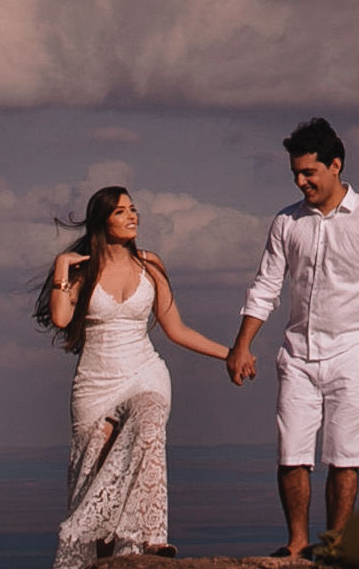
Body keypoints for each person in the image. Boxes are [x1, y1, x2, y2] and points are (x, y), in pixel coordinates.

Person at [225, 118, 359, 559]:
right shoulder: (287, 222)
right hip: (298, 352)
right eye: (295, 173)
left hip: (351, 350)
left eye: (309, 172)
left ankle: (337, 543)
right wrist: (242, 344)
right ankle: (296, 543)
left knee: (345, 454)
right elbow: (266, 286)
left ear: (335, 165)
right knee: (292, 452)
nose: (301, 180)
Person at [38, 184, 231, 569]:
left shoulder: (150, 264)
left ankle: (152, 537)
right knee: (96, 470)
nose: (132, 217)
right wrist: (62, 265)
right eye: (121, 212)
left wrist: (231, 354)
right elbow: (60, 318)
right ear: (102, 221)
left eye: (133, 209)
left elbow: (175, 328)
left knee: (149, 423)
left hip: (144, 371)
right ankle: (104, 557)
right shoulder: (81, 271)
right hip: (96, 383)